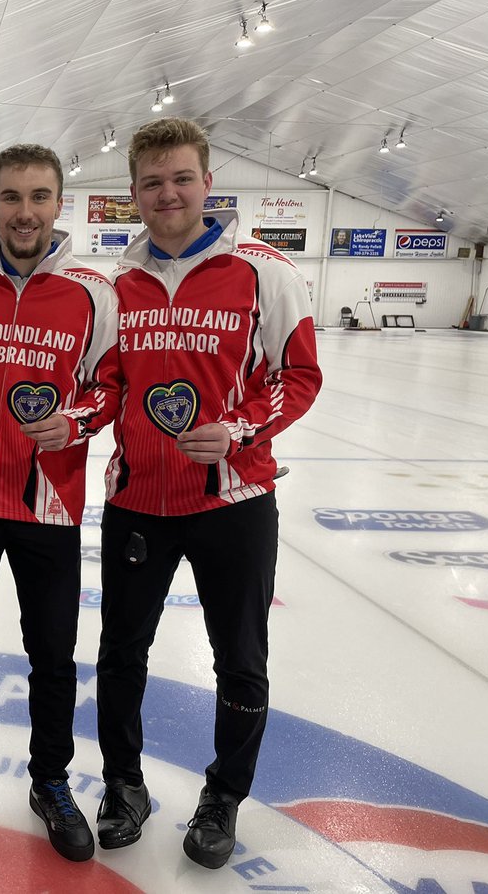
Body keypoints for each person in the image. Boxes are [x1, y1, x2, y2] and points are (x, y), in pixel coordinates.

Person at [95, 117, 322, 869]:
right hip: (137, 503)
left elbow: (300, 376)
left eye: (181, 178)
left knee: (242, 660)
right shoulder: (116, 285)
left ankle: (223, 795)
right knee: (121, 653)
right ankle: (122, 785)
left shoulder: (263, 272)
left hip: (233, 504)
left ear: (207, 184)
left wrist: (242, 430)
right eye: (153, 182)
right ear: (133, 194)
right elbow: (103, 387)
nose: (168, 193)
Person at [0, 144, 120, 862]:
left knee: (54, 656)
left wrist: (78, 422)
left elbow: (110, 385)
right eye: (11, 197)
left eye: (39, 196)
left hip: (48, 507)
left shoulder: (94, 292)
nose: (25, 211)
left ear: (60, 203)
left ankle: (51, 779)